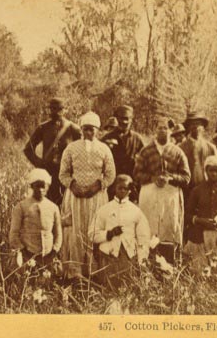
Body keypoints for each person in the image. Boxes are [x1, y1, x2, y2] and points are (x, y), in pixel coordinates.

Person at [58, 112, 116, 279]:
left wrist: (98, 185)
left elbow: (110, 174)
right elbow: (63, 174)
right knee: (75, 231)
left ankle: (94, 272)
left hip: (96, 197)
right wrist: (73, 185)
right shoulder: (71, 148)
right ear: (81, 130)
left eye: (92, 130)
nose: (88, 134)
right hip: (75, 198)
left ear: (97, 130)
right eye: (85, 130)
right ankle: (74, 273)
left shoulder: (104, 149)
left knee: (94, 230)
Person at [133, 116, 191, 264]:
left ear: (171, 131)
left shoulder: (177, 152)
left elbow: (186, 177)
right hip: (150, 195)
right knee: (148, 230)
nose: (162, 131)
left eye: (166, 128)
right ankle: (147, 264)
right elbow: (136, 174)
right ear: (155, 130)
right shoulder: (146, 151)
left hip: (169, 196)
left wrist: (170, 178)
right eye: (159, 128)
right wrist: (152, 178)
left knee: (169, 231)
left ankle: (169, 266)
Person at [88, 174, 150, 289]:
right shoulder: (104, 210)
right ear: (114, 189)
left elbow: (143, 238)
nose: (122, 191)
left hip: (128, 257)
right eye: (119, 188)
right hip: (108, 257)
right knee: (109, 289)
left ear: (130, 190)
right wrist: (109, 234)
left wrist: (142, 261)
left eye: (125, 188)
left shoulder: (136, 211)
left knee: (126, 289)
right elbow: (92, 234)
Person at [182, 155, 217, 272]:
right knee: (199, 273)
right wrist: (200, 220)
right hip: (199, 238)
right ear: (206, 171)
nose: (214, 174)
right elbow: (186, 215)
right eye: (210, 170)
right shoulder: (197, 190)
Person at [23, 97, 82, 205]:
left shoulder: (73, 129)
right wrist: (39, 163)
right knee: (47, 204)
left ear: (64, 110)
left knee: (67, 205)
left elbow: (82, 151)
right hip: (48, 173)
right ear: (49, 110)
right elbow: (28, 149)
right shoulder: (43, 128)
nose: (55, 112)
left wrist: (76, 167)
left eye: (59, 109)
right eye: (52, 109)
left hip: (67, 173)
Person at [8, 168, 63, 273]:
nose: (41, 190)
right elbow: (13, 235)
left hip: (48, 257)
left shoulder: (53, 208)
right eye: (37, 186)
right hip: (27, 257)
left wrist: (53, 252)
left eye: (43, 186)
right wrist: (24, 252)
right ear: (32, 186)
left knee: (50, 283)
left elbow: (58, 234)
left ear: (47, 187)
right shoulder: (21, 207)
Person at [102, 105, 145, 201]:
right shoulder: (107, 138)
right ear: (116, 119)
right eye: (121, 118)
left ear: (131, 119)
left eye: (127, 118)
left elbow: (145, 159)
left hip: (131, 184)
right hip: (112, 184)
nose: (124, 122)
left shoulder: (137, 139)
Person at [178, 112, 217, 200]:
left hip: (206, 189)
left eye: (199, 124)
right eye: (192, 124)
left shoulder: (211, 148)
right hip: (186, 189)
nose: (196, 127)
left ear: (203, 127)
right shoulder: (180, 148)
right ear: (188, 127)